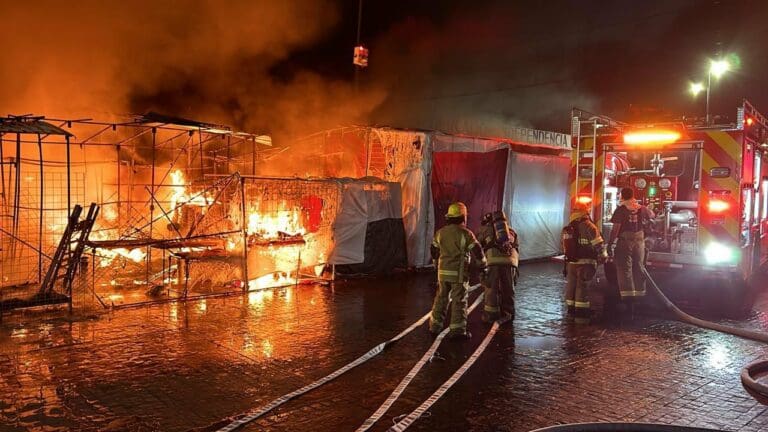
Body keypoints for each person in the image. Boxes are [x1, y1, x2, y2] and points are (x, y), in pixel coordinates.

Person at [429, 202, 487, 339]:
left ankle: (434, 327)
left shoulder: (440, 233)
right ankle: (458, 331)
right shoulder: (466, 234)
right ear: (463, 217)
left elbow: (434, 250)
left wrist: (435, 264)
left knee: (441, 299)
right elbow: (477, 250)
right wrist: (483, 265)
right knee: (459, 300)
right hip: (459, 274)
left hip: (442, 273)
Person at [607, 187, 655, 305]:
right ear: (633, 195)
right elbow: (652, 215)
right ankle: (640, 294)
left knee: (624, 269)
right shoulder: (641, 208)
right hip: (639, 242)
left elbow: (616, 228)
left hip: (625, 242)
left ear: (622, 196)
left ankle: (628, 298)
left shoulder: (621, 210)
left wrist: (610, 243)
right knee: (639, 266)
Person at [562, 202, 607, 321]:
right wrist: (604, 255)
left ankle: (571, 308)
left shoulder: (569, 226)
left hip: (571, 262)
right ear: (585, 211)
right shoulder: (589, 226)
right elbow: (598, 244)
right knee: (582, 286)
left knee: (572, 285)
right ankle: (581, 312)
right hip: (586, 262)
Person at [477, 210, 518, 323]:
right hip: (510, 262)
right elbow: (516, 246)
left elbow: (477, 247)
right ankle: (509, 313)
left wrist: (479, 265)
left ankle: (491, 315)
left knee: (491, 288)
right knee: (508, 289)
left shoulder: (484, 230)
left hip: (493, 261)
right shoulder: (510, 230)